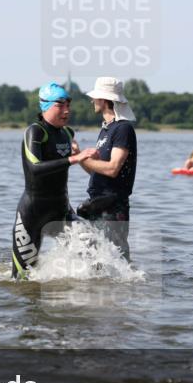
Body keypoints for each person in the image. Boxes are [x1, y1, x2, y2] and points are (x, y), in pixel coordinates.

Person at [12, 82, 97, 278]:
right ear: (45, 106)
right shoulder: (35, 131)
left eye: (68, 105)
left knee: (92, 246)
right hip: (33, 214)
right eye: (60, 105)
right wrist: (73, 159)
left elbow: (75, 155)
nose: (67, 111)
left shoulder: (68, 133)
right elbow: (35, 168)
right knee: (21, 278)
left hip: (61, 210)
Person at [78, 77, 138, 261]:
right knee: (92, 259)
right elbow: (98, 171)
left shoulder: (123, 129)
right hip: (97, 202)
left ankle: (127, 288)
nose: (92, 101)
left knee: (116, 259)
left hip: (113, 206)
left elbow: (112, 169)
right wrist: (80, 158)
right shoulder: (106, 129)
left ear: (104, 101)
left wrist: (80, 158)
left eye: (95, 97)